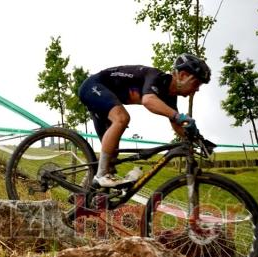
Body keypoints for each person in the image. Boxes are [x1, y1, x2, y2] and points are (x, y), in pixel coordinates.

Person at [78, 54, 211, 187]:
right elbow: (148, 100)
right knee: (122, 118)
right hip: (93, 86)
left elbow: (176, 125)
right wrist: (178, 116)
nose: (197, 89)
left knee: (110, 157)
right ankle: (100, 176)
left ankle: (82, 193)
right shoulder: (156, 77)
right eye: (196, 83)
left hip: (103, 97)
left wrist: (198, 139)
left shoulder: (170, 97)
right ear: (182, 75)